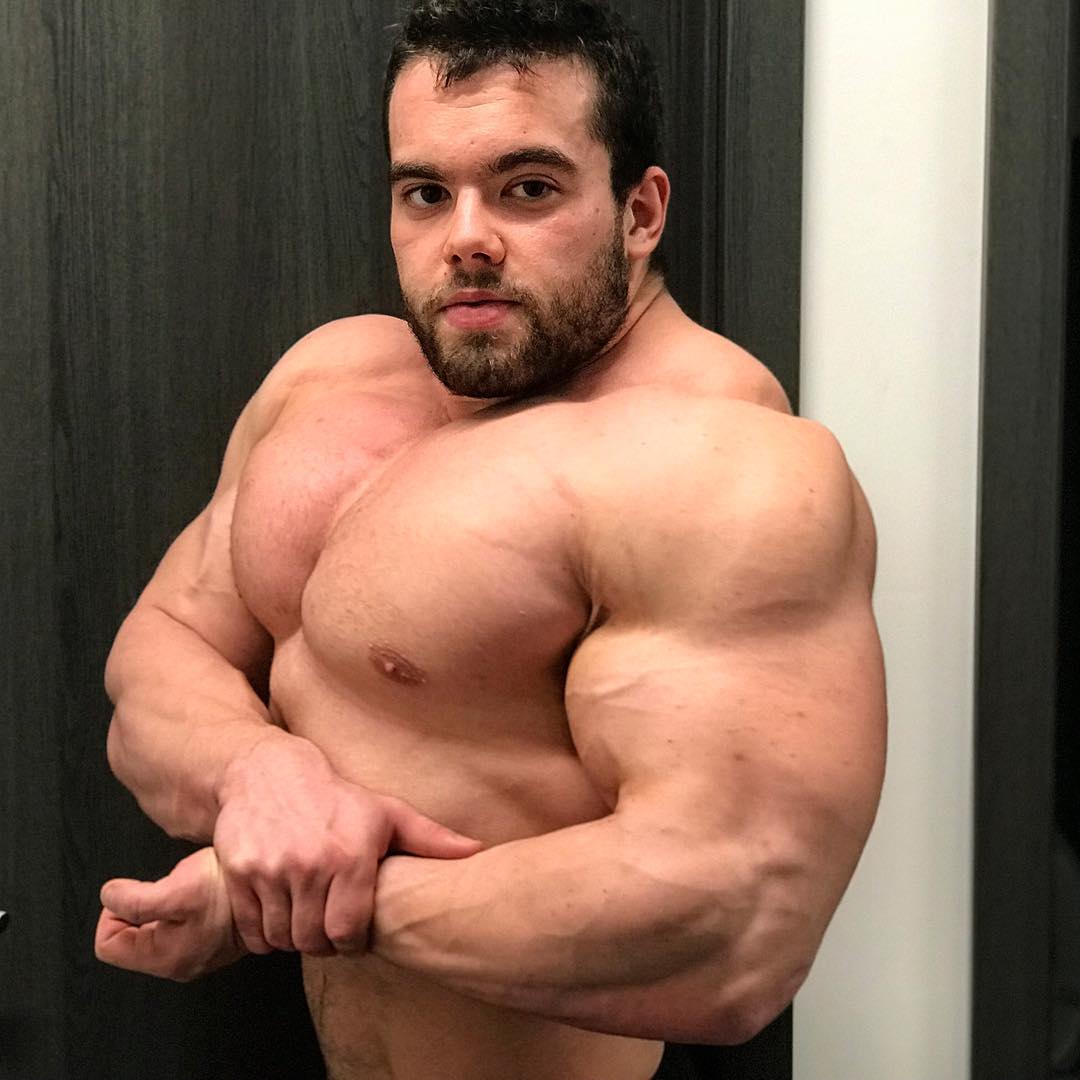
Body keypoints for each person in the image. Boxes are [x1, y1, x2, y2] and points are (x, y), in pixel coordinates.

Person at [94, 2, 887, 1078]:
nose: (466, 237)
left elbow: (735, 925)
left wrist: (282, 900)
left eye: (528, 188)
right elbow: (160, 652)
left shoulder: (724, 466)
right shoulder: (329, 378)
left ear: (640, 211)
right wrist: (256, 771)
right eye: (426, 192)